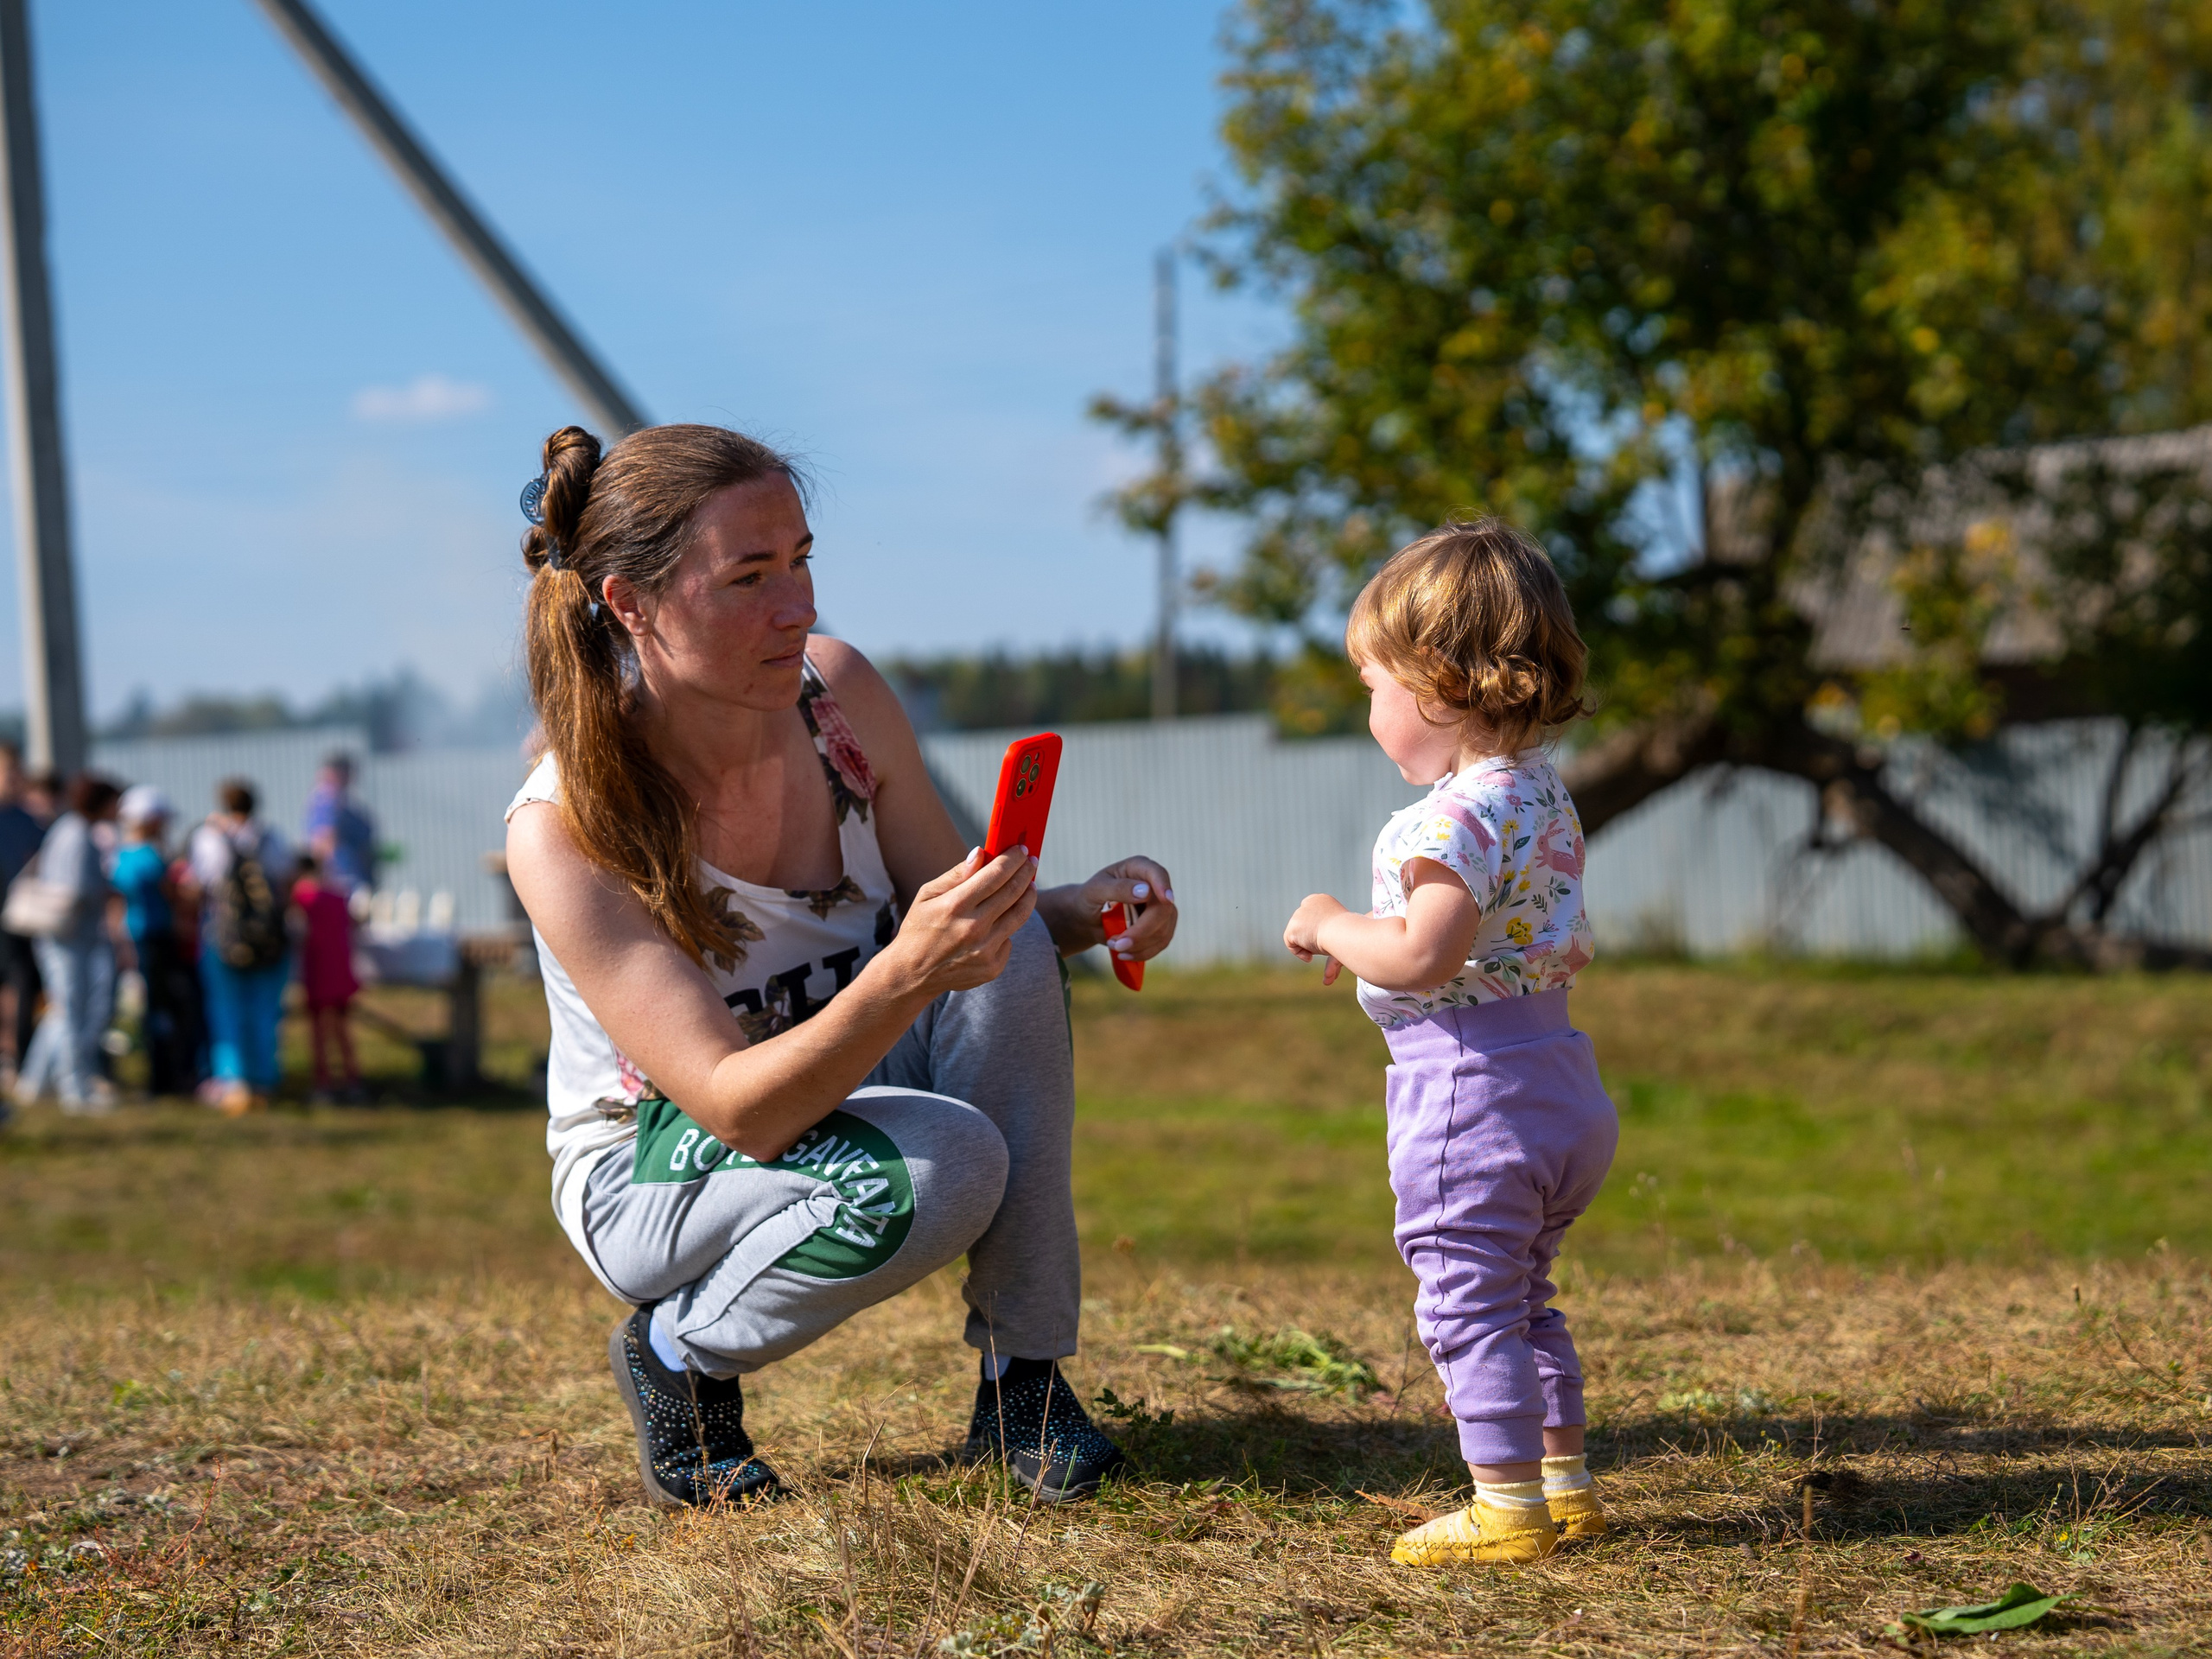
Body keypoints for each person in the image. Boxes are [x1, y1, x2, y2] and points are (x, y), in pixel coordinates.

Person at [504, 423, 1178, 1510]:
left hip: (847, 1079)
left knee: (1002, 961)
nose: (798, 607)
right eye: (750, 577)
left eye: (803, 560)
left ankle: (1026, 1387)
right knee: (946, 1162)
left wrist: (1073, 913)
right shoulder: (567, 827)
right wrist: (916, 966)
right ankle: (679, 1356)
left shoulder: (838, 698)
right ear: (631, 603)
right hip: (659, 1166)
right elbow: (739, 1106)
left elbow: (940, 923)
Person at [1281, 520, 1614, 1567]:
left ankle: (1504, 1506)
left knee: (1466, 1300)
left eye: (1374, 683)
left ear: (1439, 681)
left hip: (1470, 1093)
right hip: (1560, 1081)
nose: (1372, 709)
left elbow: (1424, 954)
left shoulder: (1442, 820)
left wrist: (1331, 922)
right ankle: (1565, 1487)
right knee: (1525, 1296)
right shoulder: (1538, 795)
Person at [13, 772, 124, 1113]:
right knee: (73, 1012)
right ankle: (74, 1089)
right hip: (69, 937)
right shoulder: (77, 834)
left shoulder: (69, 829)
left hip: (67, 937)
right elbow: (76, 888)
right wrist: (107, 891)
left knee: (62, 1011)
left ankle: (34, 1083)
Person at [186, 779, 291, 1114]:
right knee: (264, 1009)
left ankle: (234, 1082)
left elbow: (199, 885)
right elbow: (285, 883)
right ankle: (265, 1079)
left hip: (223, 935)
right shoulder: (272, 838)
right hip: (268, 938)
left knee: (225, 1008)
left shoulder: (210, 838)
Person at [112, 785, 201, 1098]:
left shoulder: (120, 855)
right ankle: (168, 1076)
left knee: (153, 1008)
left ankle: (159, 1076)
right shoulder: (151, 857)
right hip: (158, 940)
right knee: (167, 1009)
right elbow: (176, 897)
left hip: (136, 939)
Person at [291, 850, 360, 1103]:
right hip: (341, 970)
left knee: (319, 1031)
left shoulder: (303, 896)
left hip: (319, 970)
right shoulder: (338, 895)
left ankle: (323, 1082)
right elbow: (354, 922)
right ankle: (353, 1079)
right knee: (342, 1029)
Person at [0, 741, 46, 1093]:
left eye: (16, 771)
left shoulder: (31, 821)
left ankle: (22, 1061)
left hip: (22, 923)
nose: (13, 778)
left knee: (24, 988)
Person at [302, 753, 378, 896]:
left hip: (350, 877)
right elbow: (323, 840)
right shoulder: (327, 800)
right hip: (343, 880)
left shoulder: (339, 799)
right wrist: (330, 877)